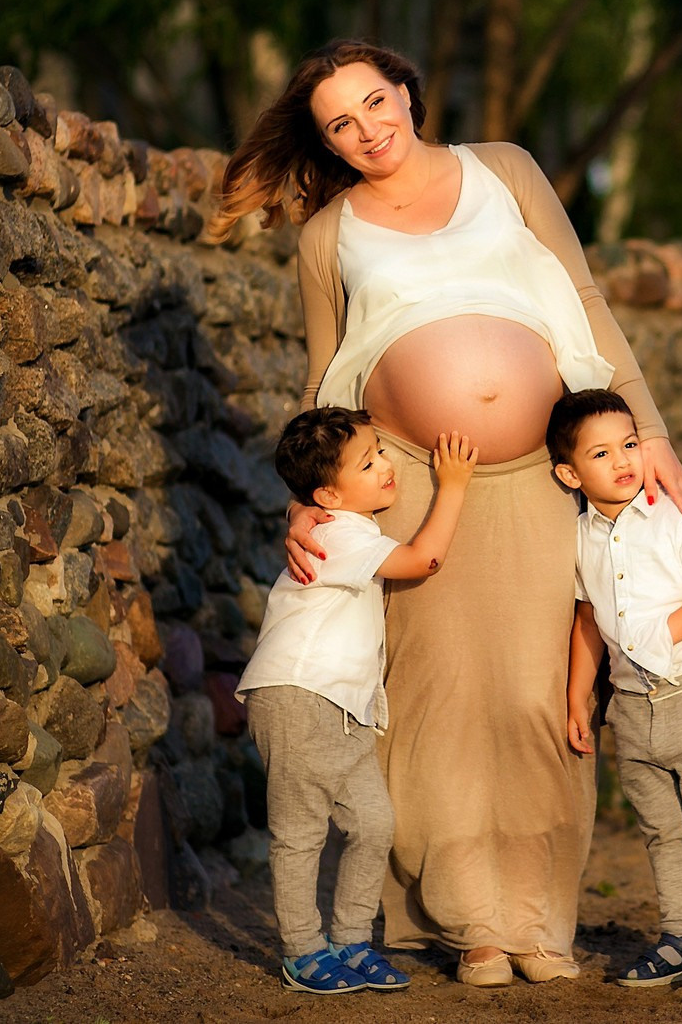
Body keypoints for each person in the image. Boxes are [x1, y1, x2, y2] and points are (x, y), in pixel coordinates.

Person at [210, 40, 682, 987]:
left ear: (408, 93)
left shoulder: (506, 170)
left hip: (536, 475)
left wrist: (652, 431)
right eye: (339, 124)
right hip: (408, 482)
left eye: (376, 103)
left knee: (534, 693)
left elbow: (587, 302)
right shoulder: (327, 237)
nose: (367, 130)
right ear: (326, 142)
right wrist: (306, 508)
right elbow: (323, 392)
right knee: (437, 700)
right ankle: (469, 922)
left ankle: (537, 916)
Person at [234, 409, 478, 993]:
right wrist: (454, 488)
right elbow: (424, 561)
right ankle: (301, 951)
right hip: (298, 694)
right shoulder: (338, 532)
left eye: (381, 452)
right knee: (300, 833)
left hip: (341, 706)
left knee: (372, 824)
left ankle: (349, 941)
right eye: (368, 462)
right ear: (328, 494)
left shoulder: (347, 526)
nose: (386, 465)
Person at [549, 389, 682, 987]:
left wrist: (659, 635)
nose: (622, 460)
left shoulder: (680, 515)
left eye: (629, 444)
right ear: (570, 473)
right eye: (601, 453)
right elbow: (588, 620)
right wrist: (578, 698)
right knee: (662, 831)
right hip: (630, 707)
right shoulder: (580, 538)